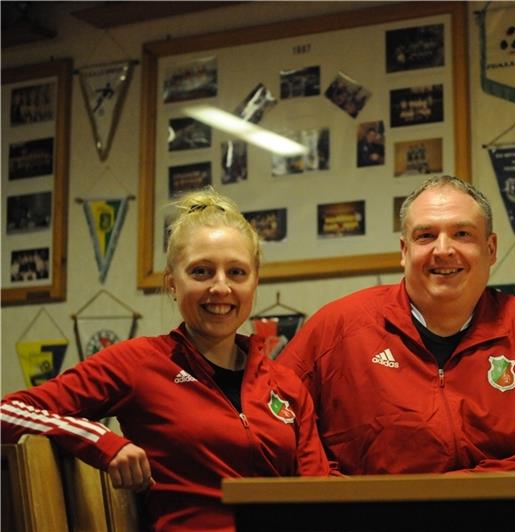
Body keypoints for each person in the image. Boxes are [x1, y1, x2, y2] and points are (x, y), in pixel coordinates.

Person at [1, 187, 329, 531]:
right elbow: (6, 412)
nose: (220, 287)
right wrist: (100, 440)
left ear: (255, 281)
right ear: (172, 283)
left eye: (236, 272)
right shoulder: (139, 362)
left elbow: (318, 496)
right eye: (201, 272)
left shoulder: (285, 384)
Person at [278, 175, 515, 474]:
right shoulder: (339, 327)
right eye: (426, 235)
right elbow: (275, 432)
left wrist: (461, 496)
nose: (443, 250)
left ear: (490, 250)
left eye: (462, 234)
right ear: (405, 251)